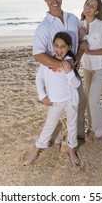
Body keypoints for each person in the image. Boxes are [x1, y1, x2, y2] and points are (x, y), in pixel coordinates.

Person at [32, 0, 91, 144]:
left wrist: (78, 57)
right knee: (55, 108)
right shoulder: (44, 27)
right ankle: (56, 139)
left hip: (73, 72)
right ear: (45, 0)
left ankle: (79, 135)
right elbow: (38, 54)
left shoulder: (72, 18)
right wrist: (62, 67)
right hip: (55, 75)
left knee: (80, 102)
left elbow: (81, 42)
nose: (54, 0)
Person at [24, 32, 81, 166]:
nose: (59, 49)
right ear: (52, 46)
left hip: (70, 100)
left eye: (63, 46)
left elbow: (77, 84)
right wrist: (42, 96)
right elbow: (39, 79)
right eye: (56, 45)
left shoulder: (69, 62)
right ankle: (36, 151)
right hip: (54, 102)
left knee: (72, 126)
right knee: (49, 126)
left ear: (69, 47)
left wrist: (69, 71)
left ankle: (71, 150)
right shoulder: (47, 62)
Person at [79, 0, 102, 138]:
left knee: (93, 100)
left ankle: (101, 129)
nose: (88, 7)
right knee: (87, 98)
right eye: (87, 4)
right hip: (86, 67)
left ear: (97, 11)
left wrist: (90, 51)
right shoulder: (79, 24)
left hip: (100, 68)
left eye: (92, 6)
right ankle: (90, 125)